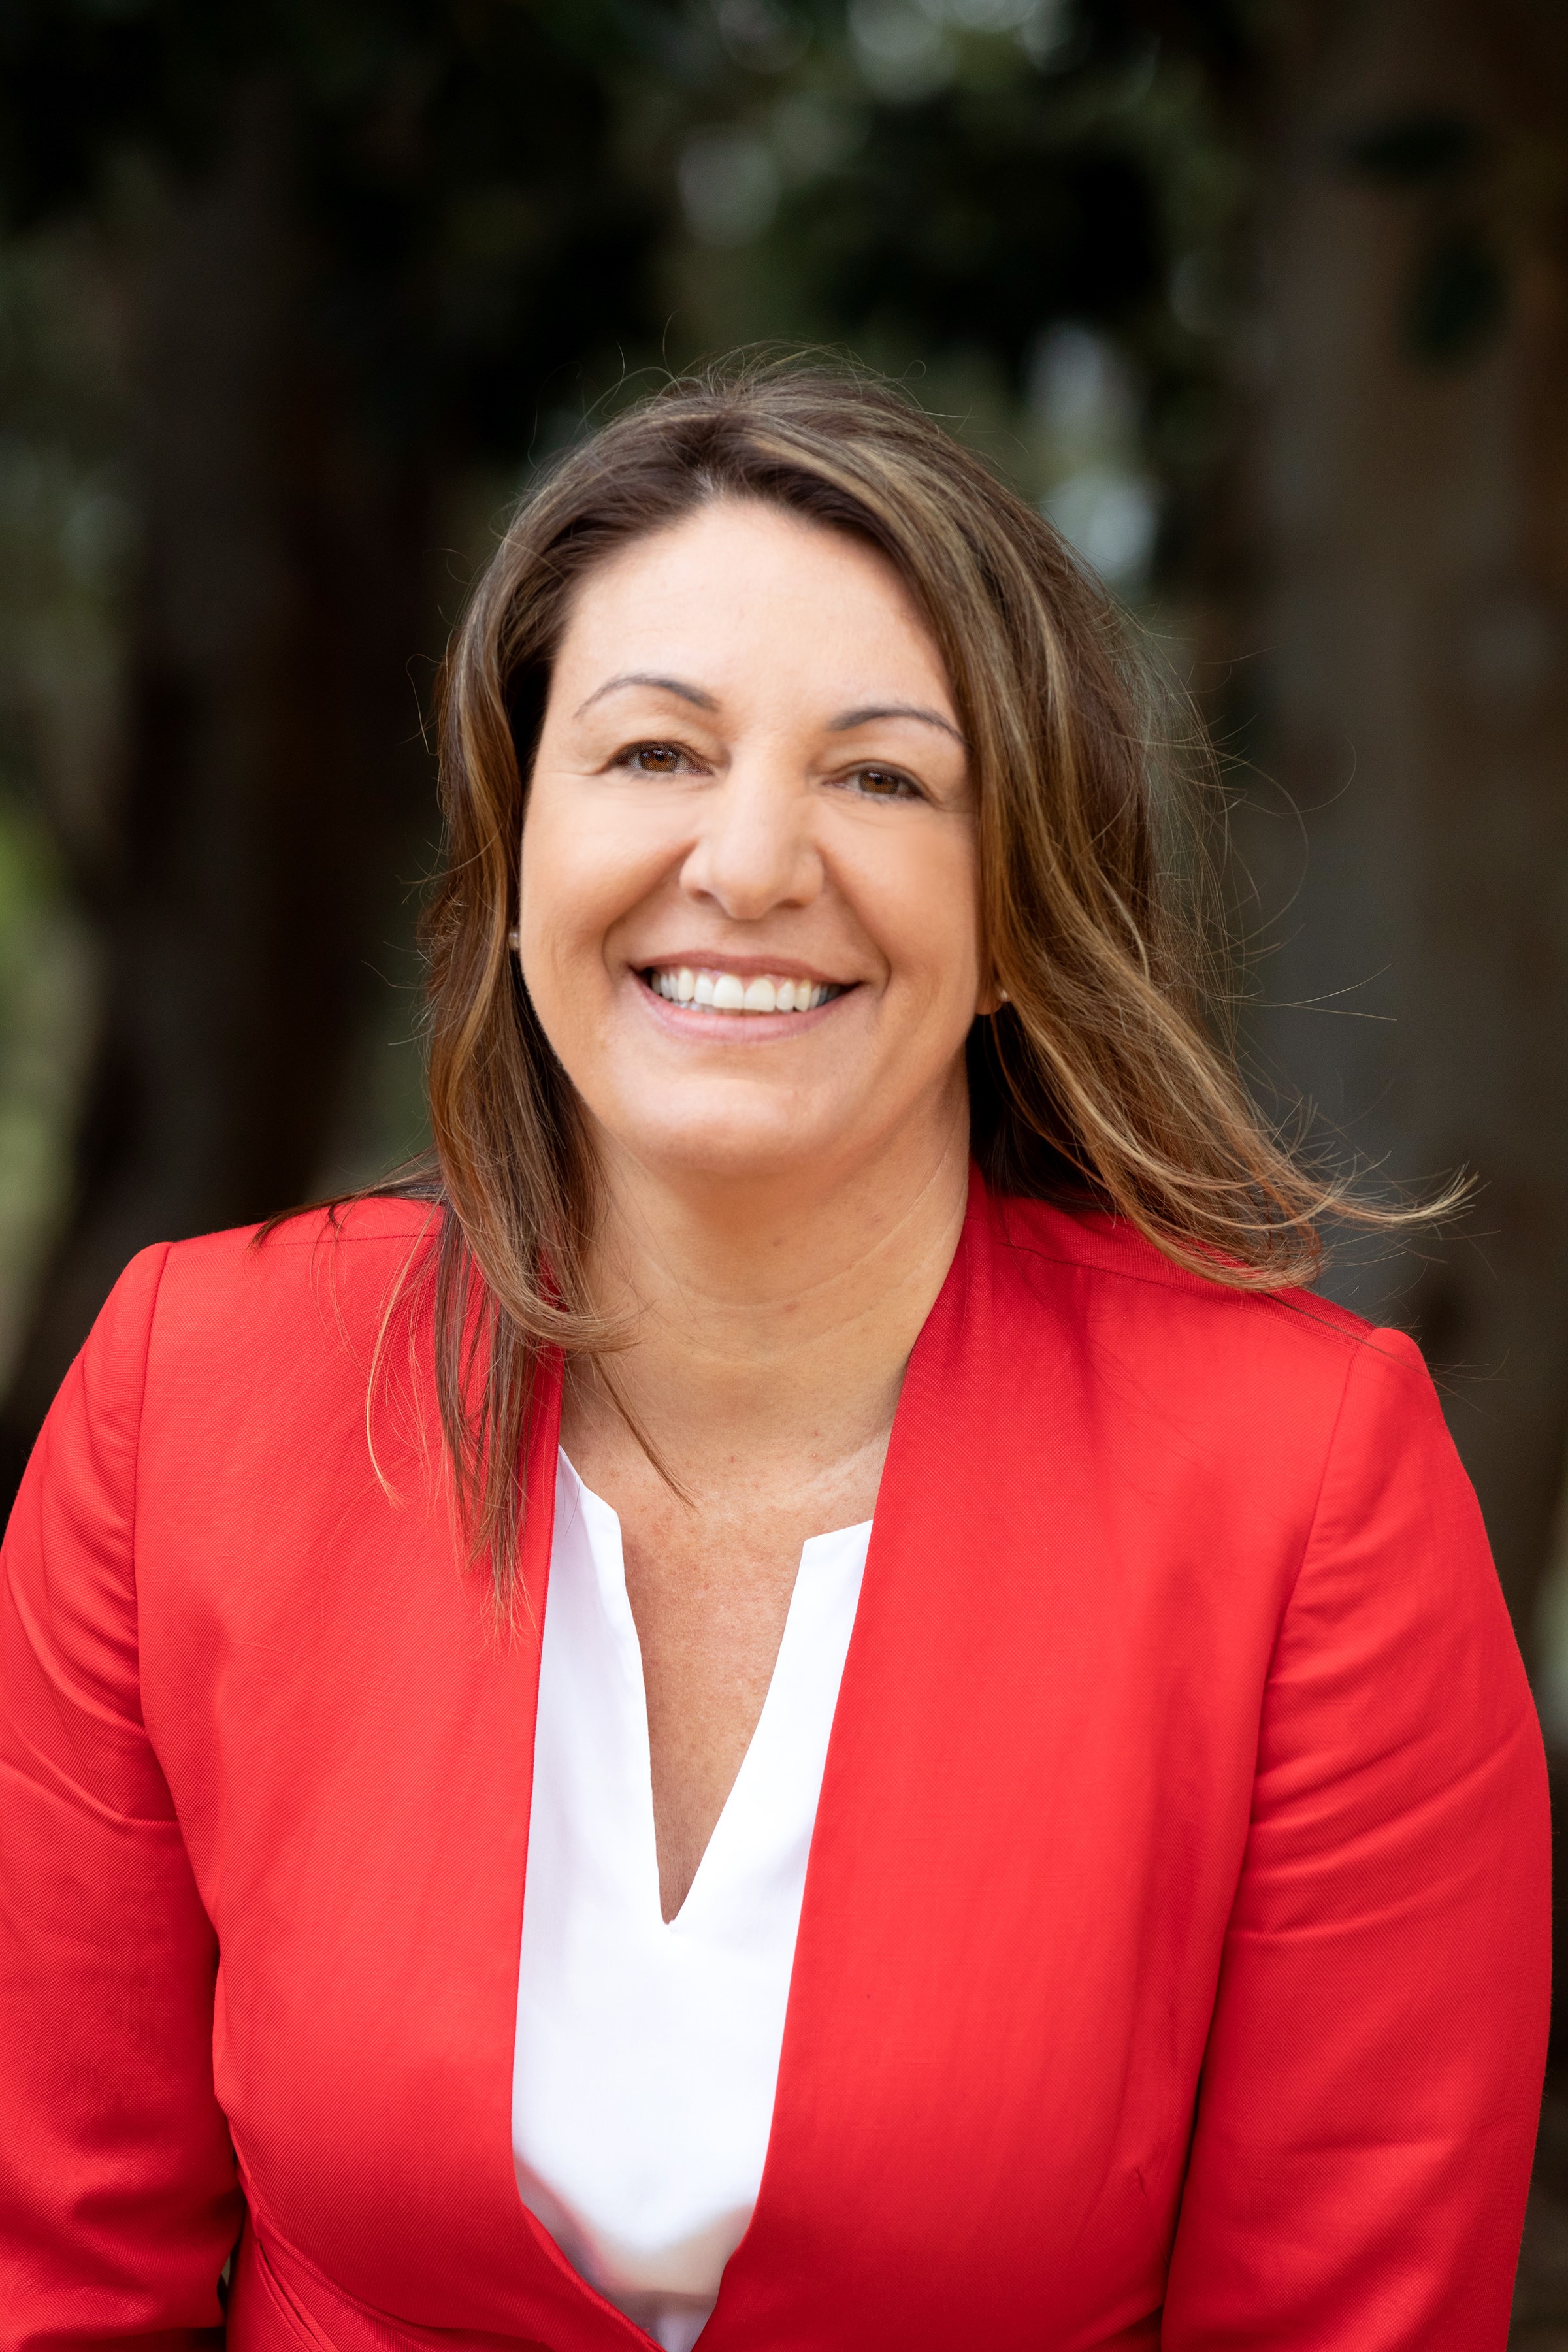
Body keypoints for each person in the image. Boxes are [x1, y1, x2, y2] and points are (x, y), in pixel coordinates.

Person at [0, 359, 1549, 2352]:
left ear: (1015, 917)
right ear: (512, 847)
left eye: (882, 776)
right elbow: (59, 2280)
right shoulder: (188, 1396)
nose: (746, 862)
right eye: (652, 754)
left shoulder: (1305, 1487)